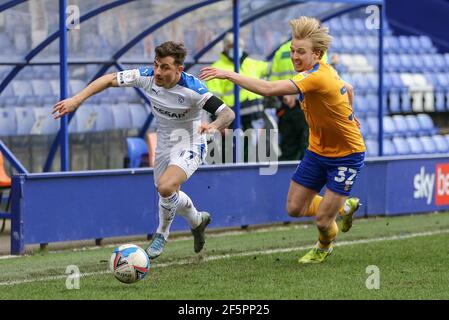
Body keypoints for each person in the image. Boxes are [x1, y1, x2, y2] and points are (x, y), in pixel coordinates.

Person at [200, 16, 365, 264]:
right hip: (318, 151)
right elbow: (348, 88)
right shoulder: (320, 72)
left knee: (322, 220)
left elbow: (267, 89)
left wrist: (228, 74)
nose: (295, 57)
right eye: (292, 51)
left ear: (317, 54)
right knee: (295, 208)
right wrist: (352, 114)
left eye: (301, 52)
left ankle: (324, 246)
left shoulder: (316, 77)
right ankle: (343, 207)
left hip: (346, 155)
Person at [53, 41, 235, 259]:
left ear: (179, 69)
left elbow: (228, 114)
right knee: (167, 191)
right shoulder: (147, 76)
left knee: (166, 187)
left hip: (191, 143)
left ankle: (161, 234)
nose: (158, 72)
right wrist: (76, 100)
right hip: (164, 145)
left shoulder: (194, 90)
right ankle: (197, 221)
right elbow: (110, 79)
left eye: (165, 67)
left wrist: (213, 126)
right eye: (156, 65)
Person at [206, 34, 270, 162]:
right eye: (231, 46)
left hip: (255, 119)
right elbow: (213, 101)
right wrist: (221, 125)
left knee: (256, 154)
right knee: (231, 154)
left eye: (239, 46)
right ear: (225, 48)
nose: (236, 49)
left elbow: (272, 69)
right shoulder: (217, 68)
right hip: (232, 121)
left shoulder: (250, 63)